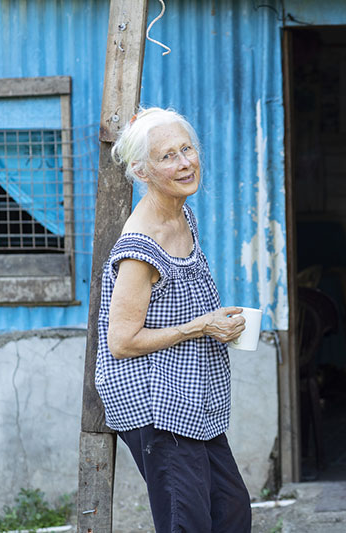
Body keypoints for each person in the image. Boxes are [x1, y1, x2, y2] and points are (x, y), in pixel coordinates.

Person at [95, 107, 252, 532]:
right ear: (141, 171)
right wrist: (202, 325)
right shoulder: (139, 247)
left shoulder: (182, 215)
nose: (185, 163)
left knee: (232, 510)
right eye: (168, 156)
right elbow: (122, 341)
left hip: (189, 393)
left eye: (187, 149)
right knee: (189, 521)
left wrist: (217, 322)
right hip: (155, 401)